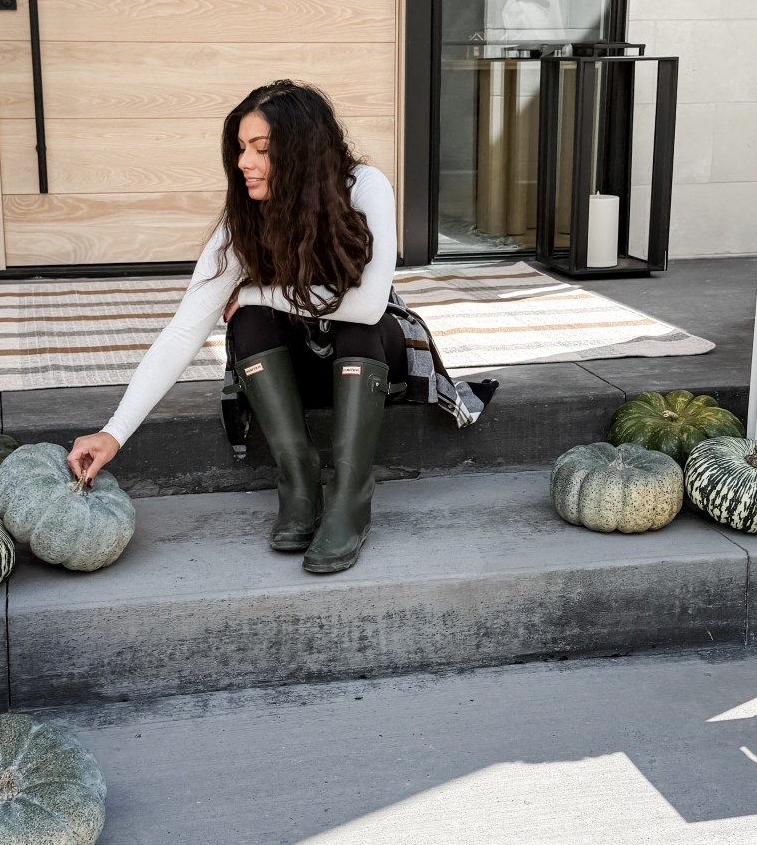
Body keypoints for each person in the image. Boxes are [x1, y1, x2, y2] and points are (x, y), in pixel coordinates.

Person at [67, 80, 489, 576]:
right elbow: (184, 330)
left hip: (370, 356)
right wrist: (113, 433)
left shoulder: (364, 186)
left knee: (349, 322)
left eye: (261, 149)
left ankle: (351, 501)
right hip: (299, 367)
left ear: (302, 152)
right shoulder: (242, 221)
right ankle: (299, 480)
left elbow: (369, 306)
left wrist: (253, 291)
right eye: (241, 148)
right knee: (246, 324)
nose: (244, 162)